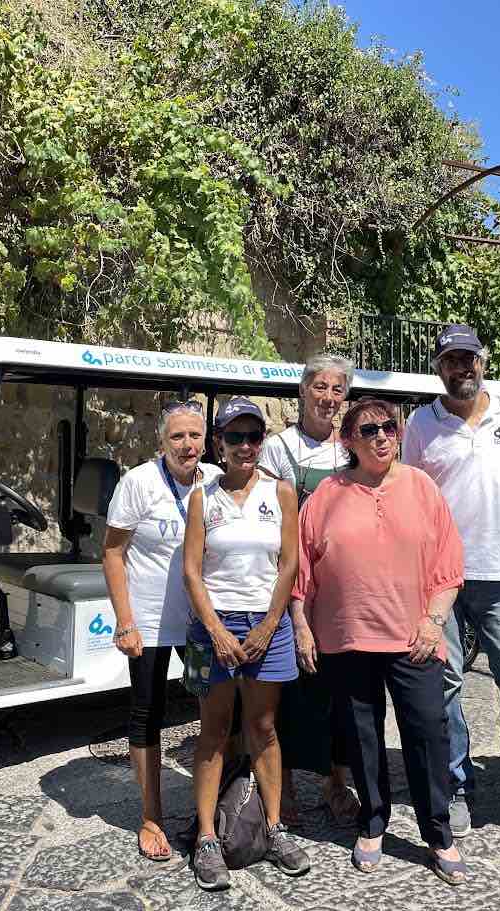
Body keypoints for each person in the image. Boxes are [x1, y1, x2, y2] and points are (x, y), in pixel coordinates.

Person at [293, 397, 468, 885]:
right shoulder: (326, 494)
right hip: (348, 636)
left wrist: (434, 622)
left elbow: (449, 564)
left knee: (427, 732)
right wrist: (302, 626)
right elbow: (301, 569)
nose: (382, 437)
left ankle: (438, 833)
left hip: (415, 637)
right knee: (361, 735)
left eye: (389, 427)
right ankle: (372, 823)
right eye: (368, 430)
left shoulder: (421, 487)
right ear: (348, 440)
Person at [400, 323, 500, 854]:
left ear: (483, 362)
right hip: (439, 580)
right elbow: (409, 495)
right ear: (438, 368)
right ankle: (458, 786)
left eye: (468, 359)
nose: (461, 368)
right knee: (446, 690)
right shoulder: (421, 423)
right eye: (450, 360)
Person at [182, 397, 310, 892]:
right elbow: (192, 570)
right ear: (219, 443)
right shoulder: (202, 497)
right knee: (213, 730)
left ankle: (274, 828)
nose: (245, 446)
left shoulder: (281, 492)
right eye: (234, 437)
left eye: (253, 436)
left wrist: (270, 624)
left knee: (263, 727)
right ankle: (207, 838)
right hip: (214, 625)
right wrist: (216, 630)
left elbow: (290, 563)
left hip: (265, 624)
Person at [102, 399, 221, 860]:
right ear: (162, 441)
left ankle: (212, 810)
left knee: (213, 711)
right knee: (147, 712)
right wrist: (125, 621)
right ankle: (151, 817)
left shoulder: (215, 480)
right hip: (150, 624)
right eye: (177, 436)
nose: (187, 445)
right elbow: (113, 553)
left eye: (194, 435)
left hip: (200, 624)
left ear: (205, 440)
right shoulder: (139, 482)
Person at [260, 353, 359, 825]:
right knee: (286, 689)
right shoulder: (279, 448)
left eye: (337, 389)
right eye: (320, 387)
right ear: (302, 391)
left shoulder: (352, 448)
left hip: (339, 589)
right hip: (290, 583)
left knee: (339, 689)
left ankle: (336, 781)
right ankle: (283, 790)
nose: (328, 397)